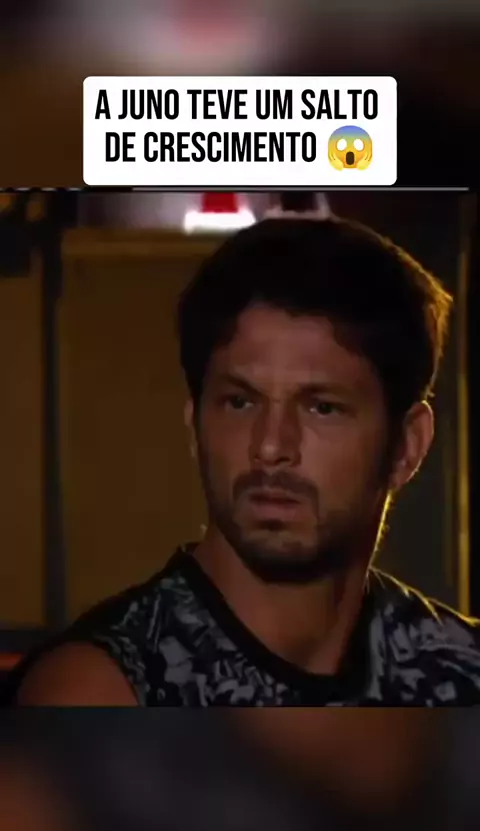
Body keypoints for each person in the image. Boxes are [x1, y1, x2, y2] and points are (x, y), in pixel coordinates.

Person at [12, 215, 480, 707]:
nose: (270, 446)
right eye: (240, 402)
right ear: (195, 424)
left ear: (407, 445)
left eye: (322, 408)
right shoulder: (104, 690)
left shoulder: (459, 673)